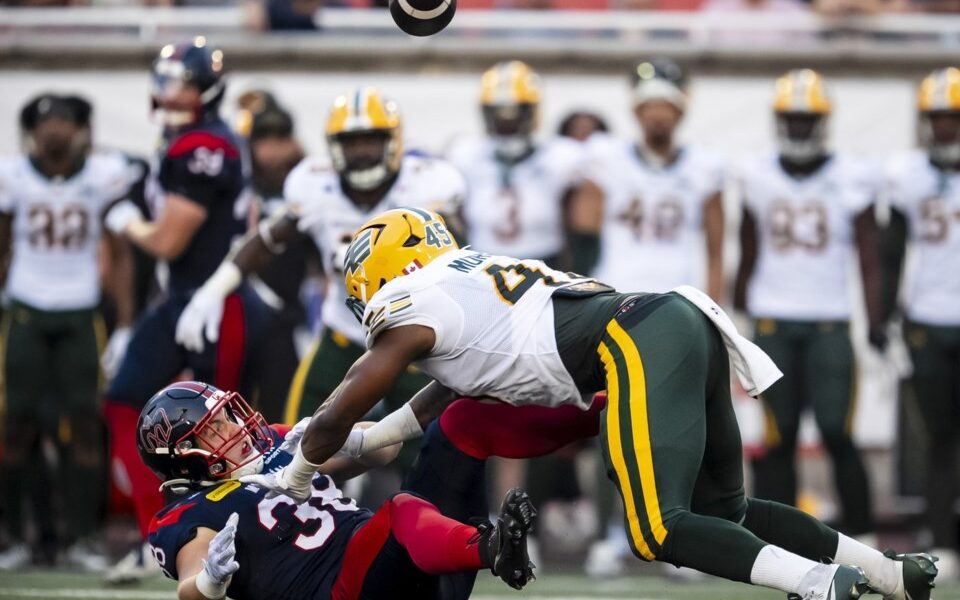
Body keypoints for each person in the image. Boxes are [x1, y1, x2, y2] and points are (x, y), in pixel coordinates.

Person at [255, 207, 937, 600]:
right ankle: (890, 573)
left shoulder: (414, 296)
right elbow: (448, 390)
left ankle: (817, 582)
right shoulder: (464, 283)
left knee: (656, 529)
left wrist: (297, 470)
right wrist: (374, 439)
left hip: (632, 341)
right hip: (671, 322)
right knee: (722, 512)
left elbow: (344, 402)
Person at [175, 86, 464, 433]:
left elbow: (456, 252)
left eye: (371, 140)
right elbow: (266, 240)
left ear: (393, 142)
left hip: (413, 336)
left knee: (428, 442)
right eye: (351, 142)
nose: (361, 152)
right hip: (342, 333)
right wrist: (213, 290)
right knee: (299, 435)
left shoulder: (427, 186)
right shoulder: (316, 187)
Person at [100, 37, 271, 583]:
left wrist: (128, 221)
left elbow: (168, 241)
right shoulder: (182, 140)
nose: (169, 93)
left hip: (218, 301)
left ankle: (242, 540)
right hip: (181, 300)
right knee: (124, 401)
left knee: (223, 436)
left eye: (181, 84)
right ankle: (159, 535)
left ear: (206, 90)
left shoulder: (204, 144)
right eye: (165, 82)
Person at [139, 381, 536, 600]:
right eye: (212, 429)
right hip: (341, 590)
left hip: (407, 570)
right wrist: (211, 579)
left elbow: (385, 450)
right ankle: (492, 549)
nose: (232, 426)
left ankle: (586, 412)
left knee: (462, 423)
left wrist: (338, 437)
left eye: (226, 414)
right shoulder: (190, 513)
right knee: (398, 511)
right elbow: (190, 588)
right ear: (183, 459)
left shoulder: (273, 441)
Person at [733, 69, 883, 540]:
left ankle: (863, 533)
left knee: (837, 431)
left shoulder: (852, 175)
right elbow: (748, 248)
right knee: (778, 436)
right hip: (772, 320)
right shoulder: (756, 174)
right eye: (792, 119)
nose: (798, 128)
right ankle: (777, 536)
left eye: (806, 119)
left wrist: (876, 319)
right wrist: (735, 315)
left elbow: (870, 258)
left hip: (829, 322)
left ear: (822, 122)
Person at [0, 93, 134, 571]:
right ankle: (12, 536)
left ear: (79, 129)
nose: (54, 130)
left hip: (80, 314)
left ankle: (83, 537)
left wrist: (125, 323)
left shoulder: (101, 175)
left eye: (63, 121)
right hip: (25, 312)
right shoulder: (13, 175)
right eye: (46, 122)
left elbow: (120, 254)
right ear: (32, 131)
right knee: (15, 425)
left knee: (84, 426)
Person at [884, 66, 960, 582]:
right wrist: (884, 315)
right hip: (928, 321)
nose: (945, 127)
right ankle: (943, 538)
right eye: (937, 117)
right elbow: (892, 253)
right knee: (939, 438)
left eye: (952, 117)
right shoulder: (907, 174)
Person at [569, 58, 725, 301]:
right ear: (636, 109)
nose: (658, 114)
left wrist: (714, 307)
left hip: (679, 297)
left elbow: (715, 251)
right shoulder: (606, 158)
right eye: (650, 105)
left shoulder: (704, 166)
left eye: (667, 105)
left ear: (681, 110)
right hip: (616, 294)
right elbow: (583, 229)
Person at [446, 60, 593, 273]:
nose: (507, 123)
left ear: (531, 113)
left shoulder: (561, 156)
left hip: (546, 265)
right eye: (498, 115)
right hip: (483, 266)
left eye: (515, 114)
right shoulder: (466, 155)